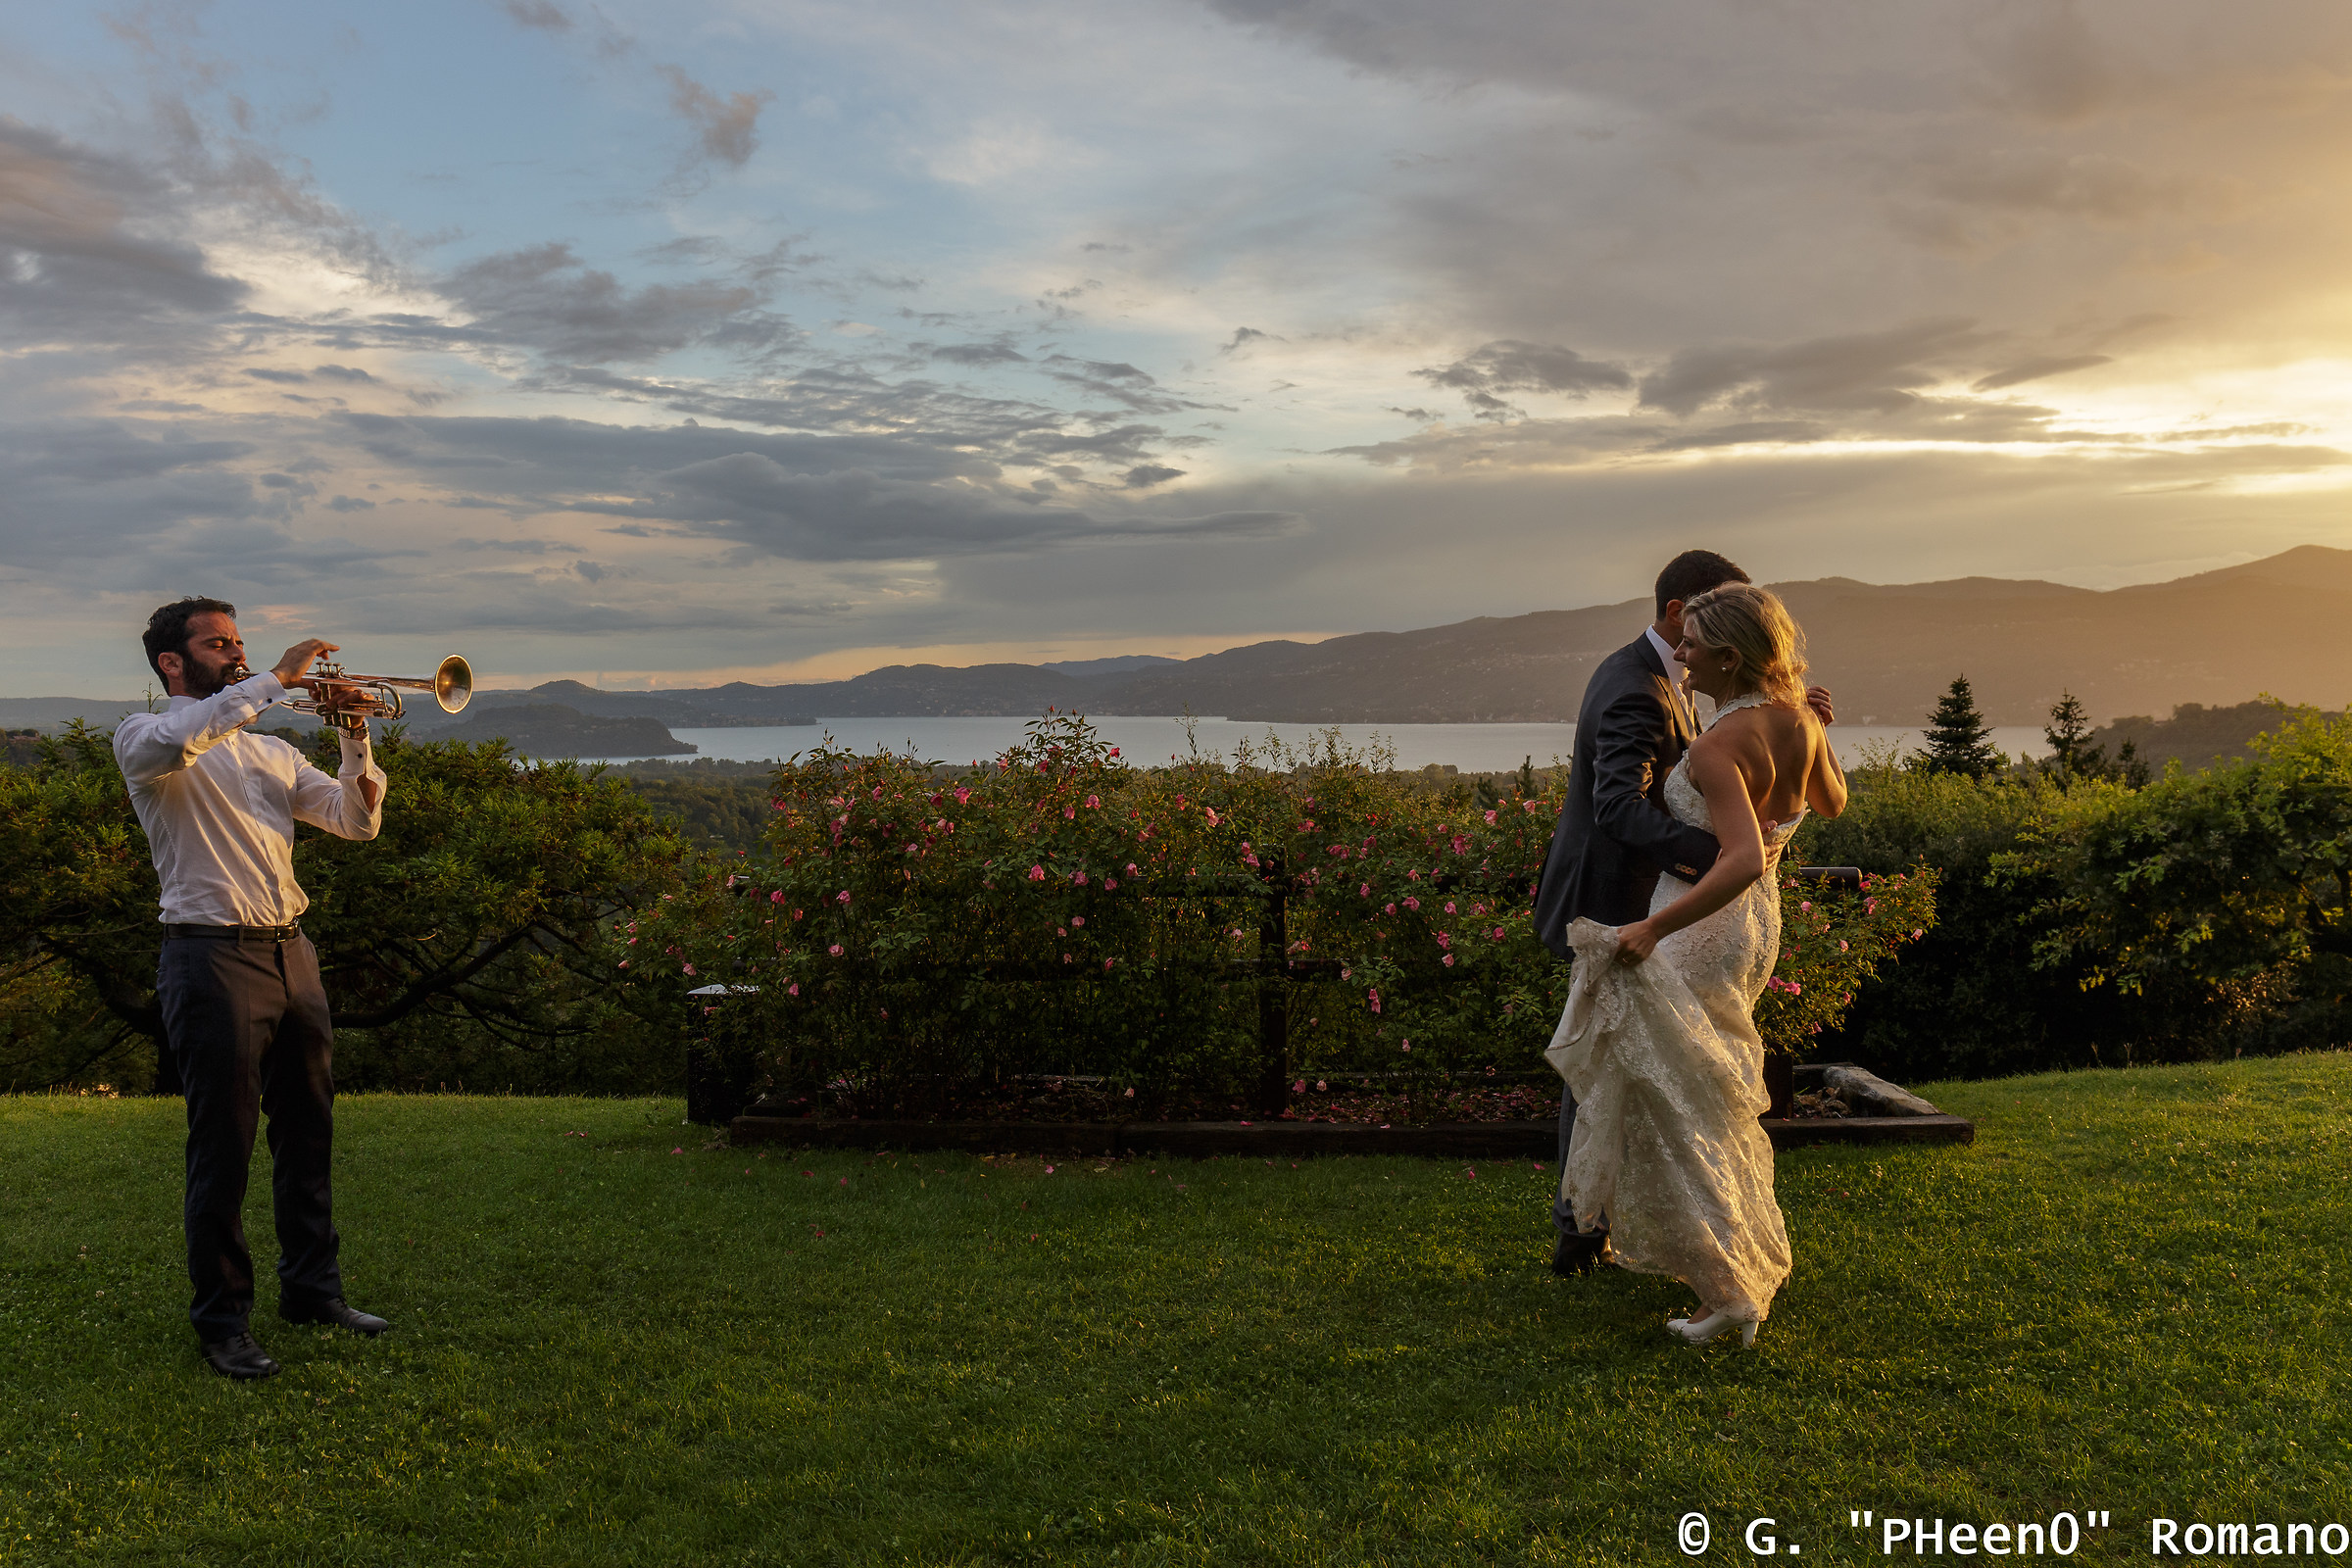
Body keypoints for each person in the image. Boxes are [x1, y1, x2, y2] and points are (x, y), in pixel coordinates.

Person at [1544, 582, 1847, 1347]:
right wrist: (1818, 730)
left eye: (1692, 645)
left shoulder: (1717, 745)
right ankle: (1723, 1262)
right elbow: (1832, 802)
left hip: (1701, 924)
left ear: (1729, 657)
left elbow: (1742, 858)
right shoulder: (1797, 724)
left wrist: (1651, 927)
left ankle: (1729, 1294)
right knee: (1697, 1094)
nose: (1678, 653)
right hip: (1752, 929)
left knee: (1679, 1104)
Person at [114, 597, 393, 1381]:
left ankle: (312, 1290)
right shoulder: (146, 739)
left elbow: (355, 821)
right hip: (209, 959)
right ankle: (223, 1321)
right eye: (218, 643)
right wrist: (275, 677)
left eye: (240, 642)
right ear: (173, 661)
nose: (235, 653)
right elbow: (186, 735)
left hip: (290, 953)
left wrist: (353, 734)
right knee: (225, 1144)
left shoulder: (269, 753)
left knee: (308, 1132)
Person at [1531, 549, 1751, 1274]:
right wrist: (1714, 857)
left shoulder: (1658, 675)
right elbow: (1617, 806)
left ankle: (1597, 1226)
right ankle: (1579, 1237)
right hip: (1608, 907)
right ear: (1676, 614)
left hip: (1632, 904)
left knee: (1618, 1066)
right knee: (1596, 1072)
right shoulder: (1635, 687)